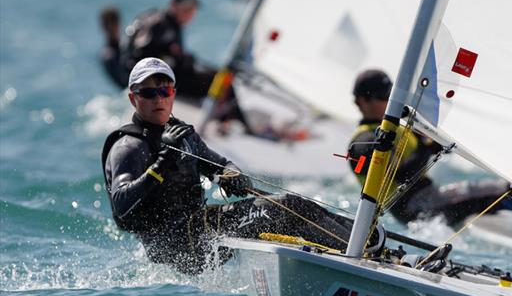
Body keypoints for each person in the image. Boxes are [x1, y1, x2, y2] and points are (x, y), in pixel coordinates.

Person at [103, 58, 368, 274]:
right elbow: (121, 204)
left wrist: (232, 174)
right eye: (149, 93)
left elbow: (219, 163)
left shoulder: (182, 135)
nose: (158, 99)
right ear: (133, 99)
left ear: (173, 94)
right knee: (283, 209)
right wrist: (163, 163)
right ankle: (356, 260)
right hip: (176, 245)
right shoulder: (128, 146)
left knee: (296, 205)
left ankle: (367, 247)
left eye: (165, 91)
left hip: (201, 230)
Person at [347, 69, 512, 226]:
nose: (388, 101)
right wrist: (426, 148)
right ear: (361, 102)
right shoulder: (364, 140)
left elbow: (425, 145)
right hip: (416, 208)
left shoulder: (395, 126)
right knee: (503, 191)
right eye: (381, 97)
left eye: (390, 95)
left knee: (494, 193)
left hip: (427, 199)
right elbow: (392, 172)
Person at [123, 0, 216, 99]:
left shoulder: (174, 25)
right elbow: (139, 55)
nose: (190, 13)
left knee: (217, 74)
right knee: (214, 81)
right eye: (186, 8)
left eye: (193, 9)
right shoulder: (159, 24)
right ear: (174, 5)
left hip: (167, 75)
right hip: (153, 81)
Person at [98, 6, 128, 89]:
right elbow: (123, 82)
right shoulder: (108, 56)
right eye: (107, 24)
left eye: (113, 22)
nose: (111, 27)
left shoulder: (129, 43)